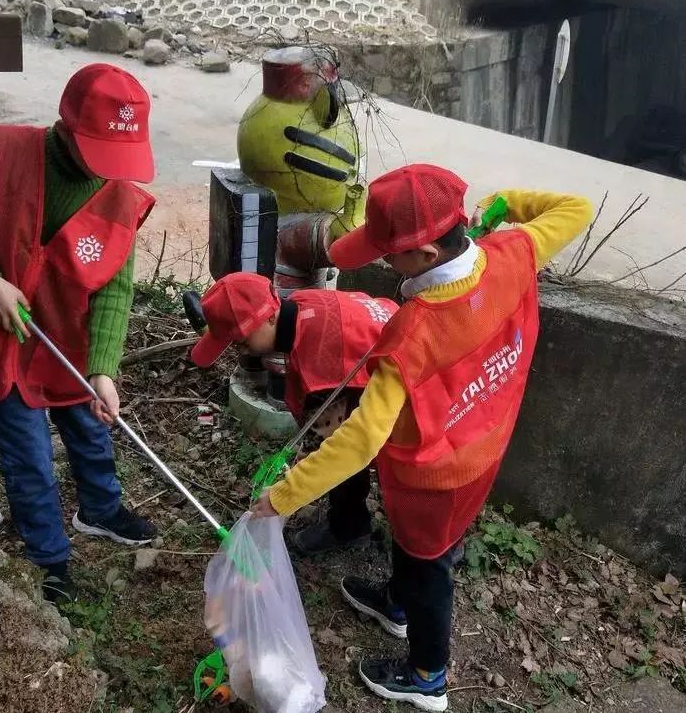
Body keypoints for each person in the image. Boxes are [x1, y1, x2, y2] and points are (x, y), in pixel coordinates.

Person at [251, 164, 594, 711]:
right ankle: (396, 604)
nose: (385, 261)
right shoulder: (514, 252)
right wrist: (507, 200)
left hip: (433, 479)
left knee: (428, 563)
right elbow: (578, 208)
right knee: (427, 553)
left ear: (426, 256)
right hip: (485, 446)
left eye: (389, 253)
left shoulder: (412, 334)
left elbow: (361, 439)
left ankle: (427, 672)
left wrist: (285, 496)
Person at [0, 63, 159, 604]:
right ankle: (49, 557)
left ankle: (100, 508)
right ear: (67, 127)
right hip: (4, 331)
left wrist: (103, 369)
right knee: (28, 453)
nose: (108, 172)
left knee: (91, 424)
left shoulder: (118, 198)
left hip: (67, 336)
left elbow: (115, 291)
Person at [187, 271, 398, 553]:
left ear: (270, 317)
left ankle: (354, 529)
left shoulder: (323, 365)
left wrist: (280, 498)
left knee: (352, 458)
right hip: (385, 350)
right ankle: (354, 523)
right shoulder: (301, 304)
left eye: (242, 342)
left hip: (414, 397)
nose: (240, 351)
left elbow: (326, 448)